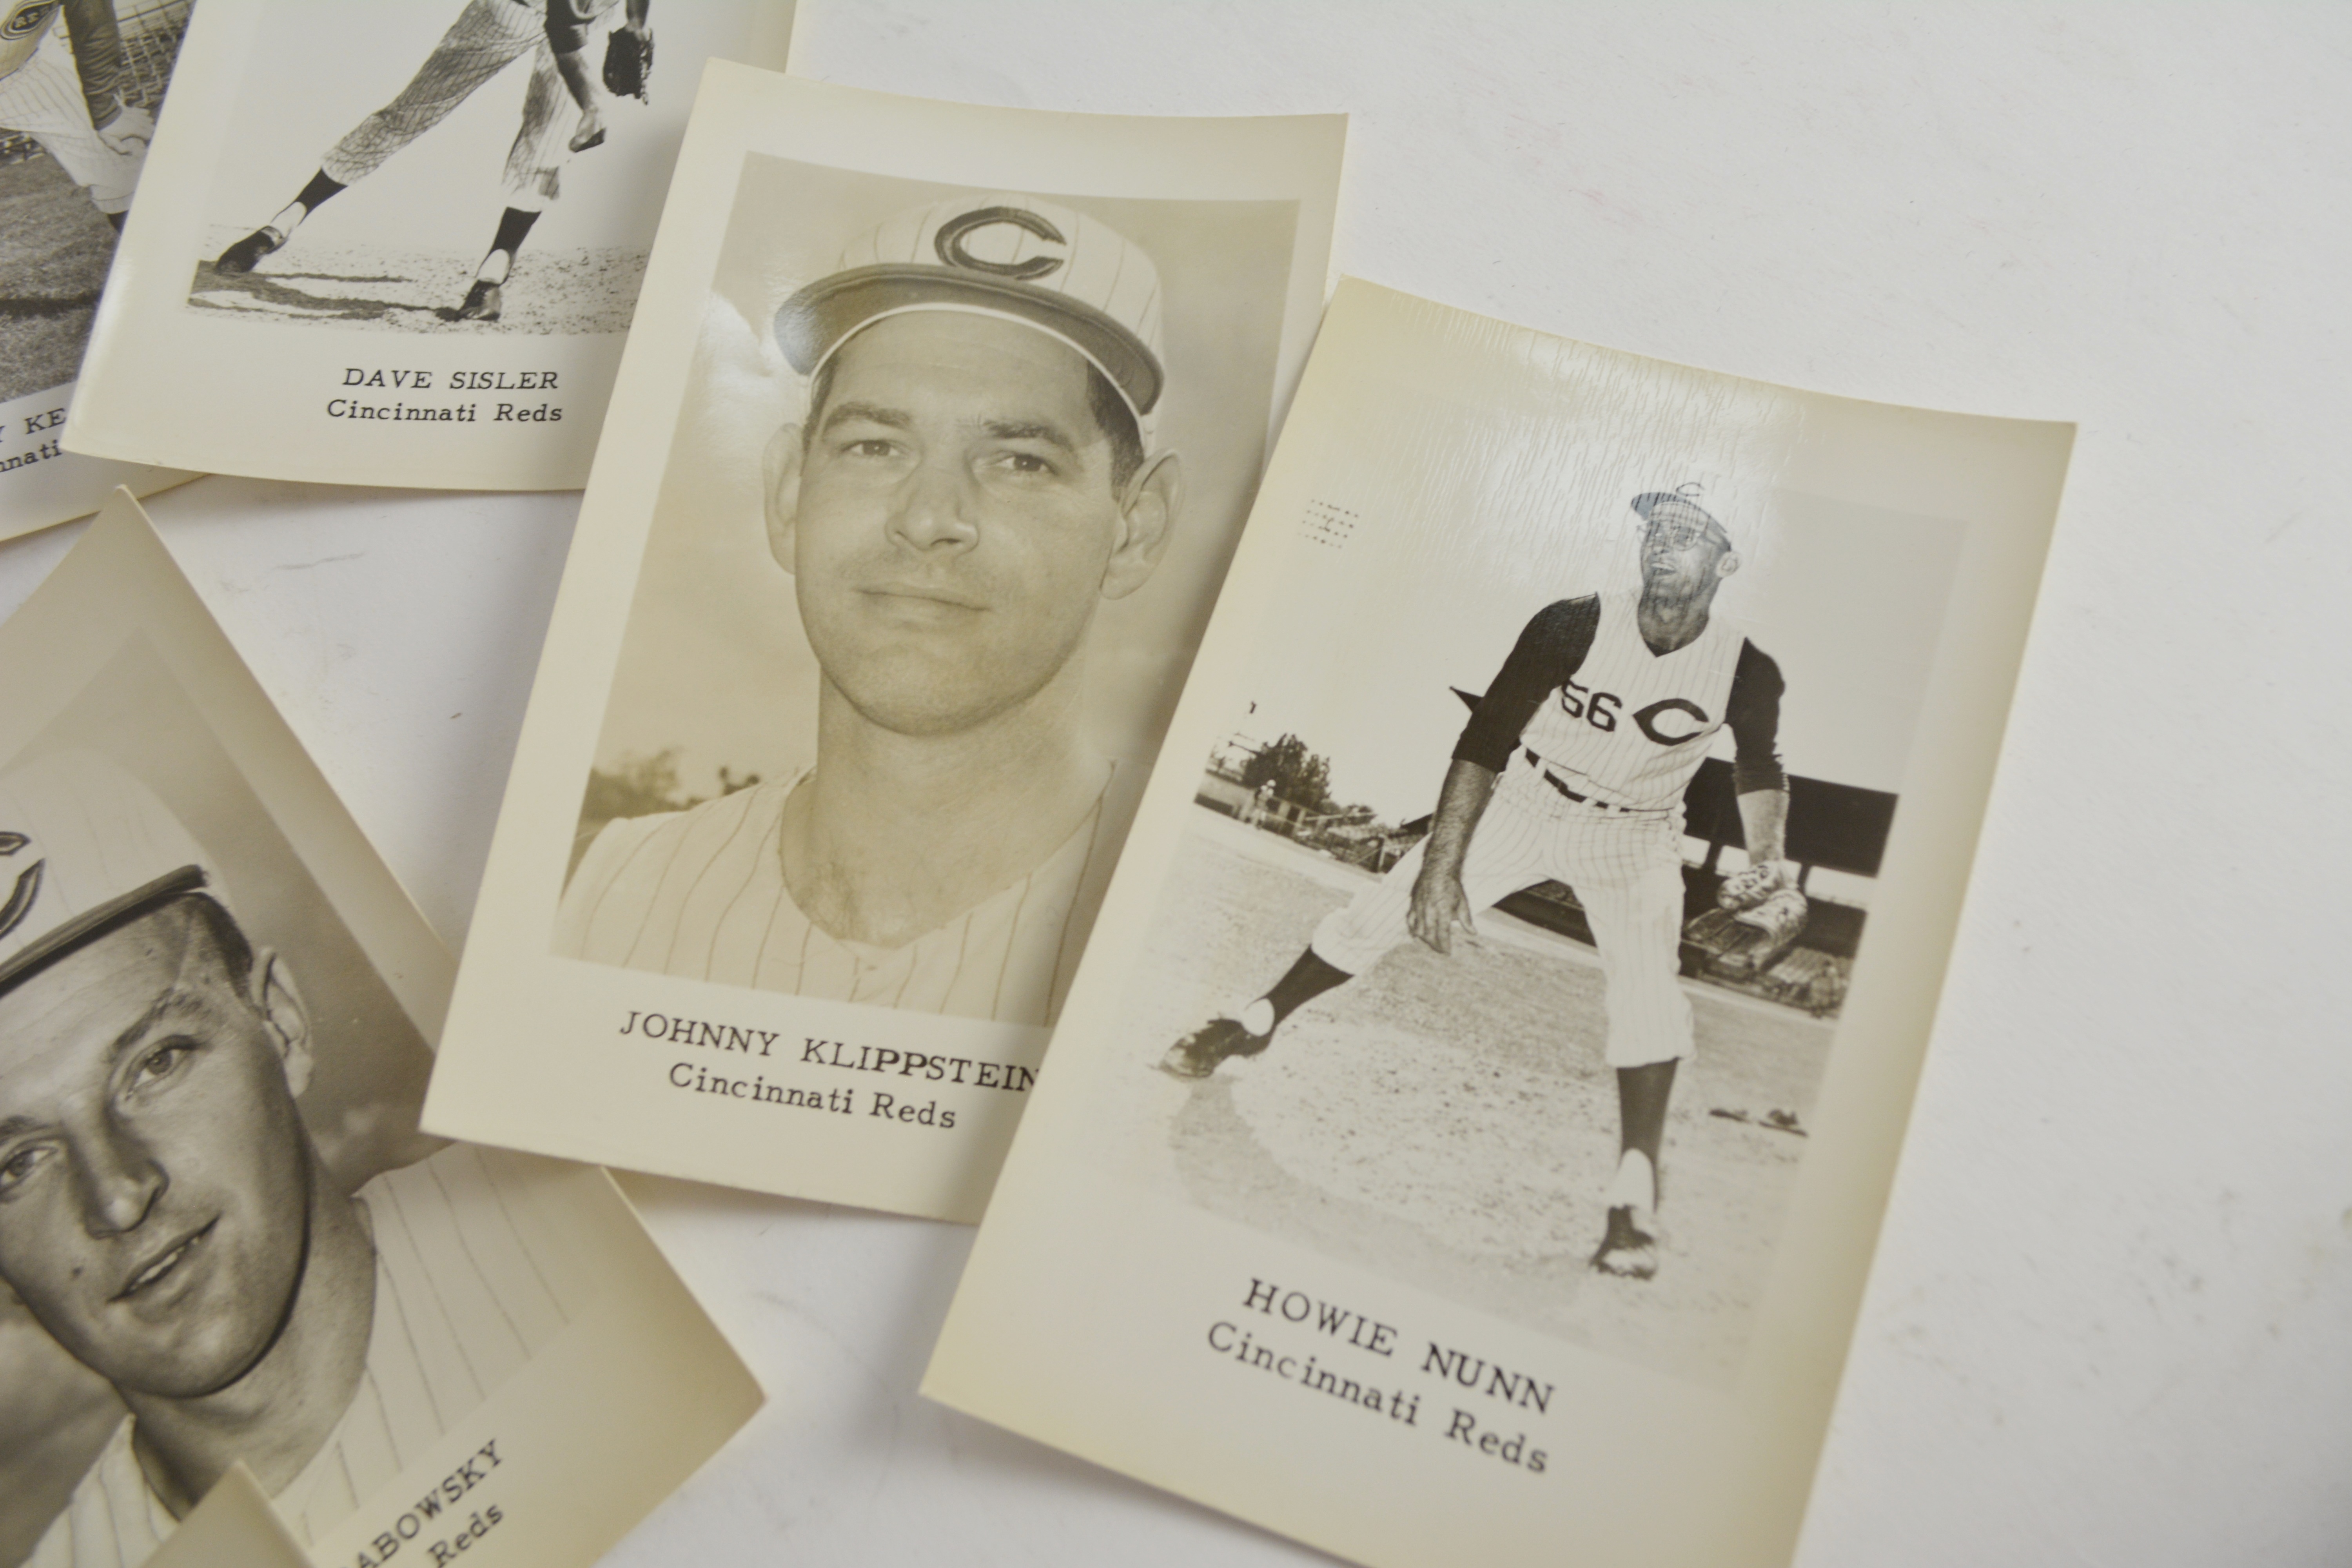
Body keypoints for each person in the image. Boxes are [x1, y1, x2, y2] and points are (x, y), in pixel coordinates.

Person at [556, 192, 1184, 1027]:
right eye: (875, 447)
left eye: (1020, 461)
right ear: (788, 492)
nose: (930, 517)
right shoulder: (609, 892)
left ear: (1136, 529)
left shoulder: (1191, 940)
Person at [1159, 487, 1793, 1282]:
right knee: (1377, 913)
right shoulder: (1575, 621)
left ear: (1727, 561)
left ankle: (1635, 1187)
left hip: (1635, 832)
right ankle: (1254, 1020)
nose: (1664, 543)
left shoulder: (1746, 668)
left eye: (1689, 534)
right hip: (1528, 796)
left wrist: (1766, 853)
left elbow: (1763, 766)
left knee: (1649, 994)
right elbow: (1487, 737)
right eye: (1657, 528)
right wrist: (1440, 866)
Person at [0, 753, 574, 1567]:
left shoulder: (601, 1229)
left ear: (283, 1026)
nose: (119, 1193)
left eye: (156, 1062)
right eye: (17, 1162)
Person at [209, 0, 653, 323]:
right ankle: (283, 222)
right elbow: (563, 29)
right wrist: (592, 104)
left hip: (588, 16)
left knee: (551, 141)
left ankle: (493, 275)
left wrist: (636, 24)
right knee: (408, 116)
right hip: (512, 10)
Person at [0, 0, 157, 234]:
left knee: (120, 163)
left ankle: (160, 259)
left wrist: (106, 114)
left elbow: (90, 15)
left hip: (23, 64)